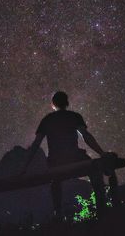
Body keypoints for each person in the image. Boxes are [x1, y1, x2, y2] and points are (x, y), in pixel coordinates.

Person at [21, 91, 107, 219]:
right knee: (95, 170)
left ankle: (58, 213)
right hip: (75, 157)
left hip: (56, 161)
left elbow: (36, 144)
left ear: (53, 104)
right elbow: (86, 136)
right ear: (67, 102)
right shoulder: (74, 116)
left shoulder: (47, 119)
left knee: (55, 181)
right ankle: (102, 209)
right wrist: (102, 153)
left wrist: (24, 167)